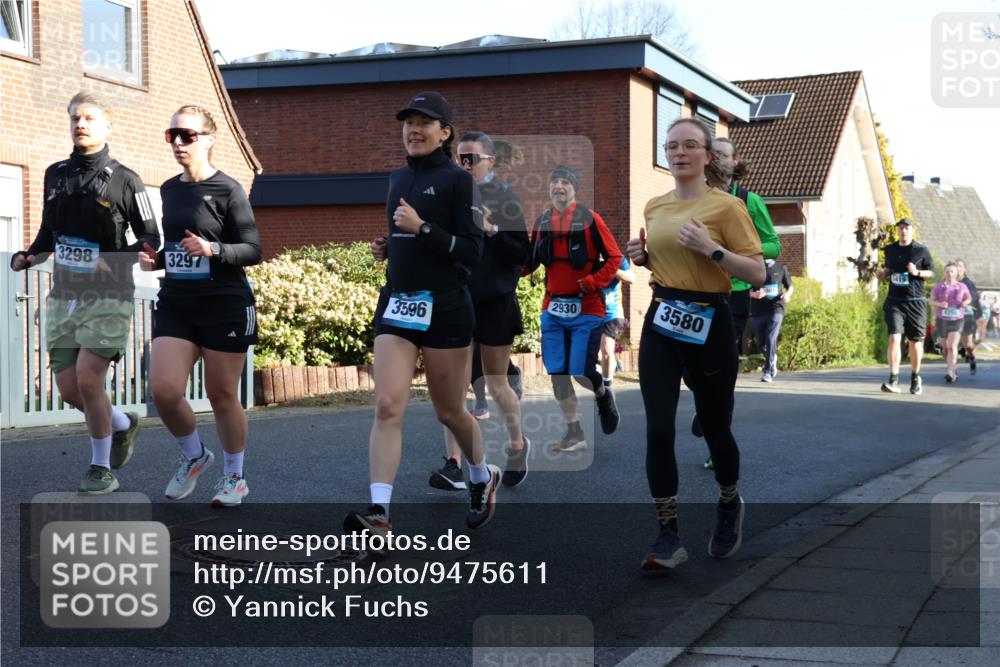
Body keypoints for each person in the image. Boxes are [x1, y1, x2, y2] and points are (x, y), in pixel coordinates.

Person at [346, 92, 498, 534]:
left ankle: (481, 475)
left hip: (446, 307)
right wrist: (390, 245)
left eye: (424, 123)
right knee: (387, 405)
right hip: (398, 303)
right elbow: (407, 236)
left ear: (445, 132)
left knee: (450, 412)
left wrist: (422, 229)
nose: (414, 129)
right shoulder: (396, 178)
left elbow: (471, 250)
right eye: (408, 122)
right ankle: (379, 513)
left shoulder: (459, 181)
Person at [625, 117, 765, 570]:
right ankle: (668, 535)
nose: (679, 153)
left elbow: (758, 273)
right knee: (659, 428)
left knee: (715, 424)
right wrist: (643, 257)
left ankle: (728, 502)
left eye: (689, 145)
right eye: (671, 146)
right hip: (664, 318)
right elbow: (660, 259)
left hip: (712, 319)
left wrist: (712, 249)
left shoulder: (726, 208)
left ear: (707, 155)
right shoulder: (654, 206)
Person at [10, 92, 157, 494]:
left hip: (109, 293)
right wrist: (29, 255)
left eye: (89, 117)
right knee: (69, 389)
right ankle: (123, 423)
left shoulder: (126, 178)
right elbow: (47, 233)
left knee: (90, 379)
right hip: (64, 295)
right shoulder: (54, 173)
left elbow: (151, 239)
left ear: (107, 125)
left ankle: (100, 467)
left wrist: (108, 260)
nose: (80, 123)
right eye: (75, 117)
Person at [139, 105, 261, 507]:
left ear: (208, 139)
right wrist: (156, 258)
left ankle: (234, 477)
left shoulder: (229, 189)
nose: (177, 142)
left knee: (222, 393)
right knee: (163, 390)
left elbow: (253, 249)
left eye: (186, 135)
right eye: (171, 134)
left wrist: (213, 249)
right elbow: (175, 248)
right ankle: (195, 456)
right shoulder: (171, 189)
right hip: (177, 301)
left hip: (224, 303)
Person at [428, 131, 532, 491]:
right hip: (456, 299)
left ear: (490, 161)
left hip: (495, 301)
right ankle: (455, 464)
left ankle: (517, 446)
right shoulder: (451, 194)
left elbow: (523, 253)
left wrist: (493, 230)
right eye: (459, 158)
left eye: (471, 158)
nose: (464, 164)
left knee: (496, 383)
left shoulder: (504, 197)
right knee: (453, 390)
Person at [525, 165, 622, 453]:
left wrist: (593, 281)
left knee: (581, 371)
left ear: (574, 189)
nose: (558, 186)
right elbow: (528, 263)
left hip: (587, 308)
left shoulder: (591, 220)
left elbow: (614, 257)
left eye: (565, 182)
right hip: (553, 308)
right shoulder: (542, 222)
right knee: (557, 373)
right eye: (554, 181)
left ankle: (603, 396)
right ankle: (575, 432)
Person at [694, 138, 780, 466]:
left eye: (725, 155)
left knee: (723, 366)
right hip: (698, 290)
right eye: (714, 154)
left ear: (735, 163)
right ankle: (706, 404)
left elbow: (772, 245)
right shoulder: (694, 198)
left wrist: (735, 252)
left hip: (735, 291)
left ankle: (718, 442)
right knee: (698, 365)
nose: (719, 160)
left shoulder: (748, 200)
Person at [876, 218, 934, 396]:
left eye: (907, 228)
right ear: (898, 231)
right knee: (894, 338)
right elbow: (888, 269)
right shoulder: (891, 250)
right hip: (895, 301)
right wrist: (883, 273)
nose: (904, 232)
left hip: (915, 302)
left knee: (915, 343)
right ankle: (893, 379)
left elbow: (931, 272)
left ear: (912, 231)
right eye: (901, 228)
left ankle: (915, 377)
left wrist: (917, 272)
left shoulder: (921, 250)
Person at [750, 259, 793, 382]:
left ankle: (767, 372)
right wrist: (754, 295)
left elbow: (790, 286)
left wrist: (788, 295)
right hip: (758, 310)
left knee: (770, 338)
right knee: (761, 344)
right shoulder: (754, 268)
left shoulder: (781, 267)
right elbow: (745, 291)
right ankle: (772, 357)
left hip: (776, 308)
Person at [930, 263, 972, 383]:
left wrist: (965, 302)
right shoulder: (938, 287)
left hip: (957, 319)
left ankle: (950, 372)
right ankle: (952, 368)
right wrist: (940, 304)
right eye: (947, 271)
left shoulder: (962, 286)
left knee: (952, 346)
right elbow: (931, 301)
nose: (949, 273)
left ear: (956, 273)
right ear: (944, 273)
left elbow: (969, 298)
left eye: (951, 271)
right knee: (945, 348)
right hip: (942, 319)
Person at [599, 256, 634, 388]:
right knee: (601, 354)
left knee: (607, 347)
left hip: (612, 313)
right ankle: (610, 366)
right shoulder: (585, 255)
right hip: (592, 312)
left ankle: (607, 385)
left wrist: (612, 269)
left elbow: (631, 278)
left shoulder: (617, 258)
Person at [954, 259, 981, 375]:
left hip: (967, 315)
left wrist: (965, 301)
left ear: (964, 269)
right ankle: (951, 371)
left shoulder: (968, 283)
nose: (958, 268)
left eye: (960, 266)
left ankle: (972, 357)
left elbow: (974, 298)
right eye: (956, 266)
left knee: (968, 345)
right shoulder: (948, 281)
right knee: (952, 344)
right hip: (952, 316)